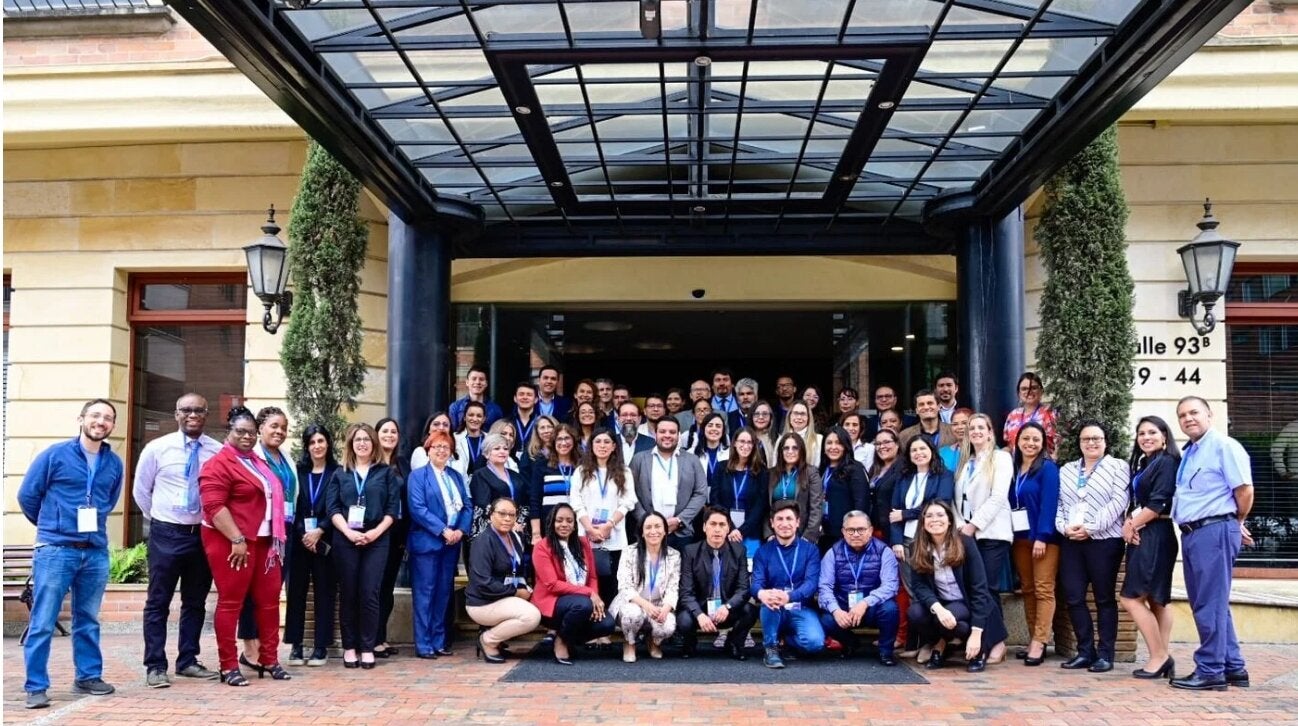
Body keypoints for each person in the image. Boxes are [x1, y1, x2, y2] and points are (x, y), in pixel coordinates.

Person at [18, 399, 124, 709]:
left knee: (88, 618)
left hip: (95, 552)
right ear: (81, 419)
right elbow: (28, 496)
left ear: (112, 426)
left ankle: (88, 676)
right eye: (95, 415)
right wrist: (53, 526)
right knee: (43, 620)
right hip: (56, 551)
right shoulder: (54, 455)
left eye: (107, 418)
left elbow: (109, 499)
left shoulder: (113, 463)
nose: (100, 421)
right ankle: (36, 685)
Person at [133, 393, 221, 688]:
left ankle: (188, 661)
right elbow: (141, 492)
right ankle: (155, 665)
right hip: (166, 534)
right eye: (186, 410)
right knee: (158, 602)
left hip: (202, 535)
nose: (192, 415)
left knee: (195, 601)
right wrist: (162, 518)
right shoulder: (157, 448)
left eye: (198, 410)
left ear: (206, 415)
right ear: (176, 414)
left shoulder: (217, 451)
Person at [198, 406, 290, 686]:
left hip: (264, 542)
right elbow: (213, 506)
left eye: (251, 432)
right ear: (229, 432)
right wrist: (237, 539)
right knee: (230, 603)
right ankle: (228, 666)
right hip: (232, 542)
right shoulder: (218, 464)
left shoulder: (256, 461)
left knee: (269, 602)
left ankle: (269, 659)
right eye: (241, 431)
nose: (247, 437)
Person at [1170, 396, 1253, 692]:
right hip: (1195, 533)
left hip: (1214, 530)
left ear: (1209, 414)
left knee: (1208, 604)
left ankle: (1210, 671)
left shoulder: (1224, 447)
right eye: (1182, 415)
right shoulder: (1192, 452)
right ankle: (1233, 667)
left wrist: (1235, 522)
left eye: (1194, 412)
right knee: (1212, 602)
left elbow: (1244, 491)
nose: (1188, 418)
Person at [1055, 420, 1129, 674]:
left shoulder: (1118, 467)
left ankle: (1105, 653)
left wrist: (1092, 527)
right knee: (1074, 597)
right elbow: (1060, 505)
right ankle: (1085, 651)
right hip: (1072, 541)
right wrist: (1064, 527)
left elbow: (1119, 501)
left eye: (1096, 438)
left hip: (1105, 541)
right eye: (1086, 439)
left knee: (1104, 598)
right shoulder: (1066, 470)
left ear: (1105, 441)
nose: (1091, 443)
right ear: (1079, 443)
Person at [327, 423, 401, 669]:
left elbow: (392, 509)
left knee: (370, 593)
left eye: (367, 439)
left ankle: (367, 647)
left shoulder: (386, 473)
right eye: (357, 439)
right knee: (349, 592)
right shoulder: (340, 473)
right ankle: (350, 647)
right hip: (345, 539)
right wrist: (348, 532)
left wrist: (374, 533)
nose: (362, 443)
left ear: (374, 443)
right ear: (351, 444)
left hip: (377, 539)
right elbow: (333, 508)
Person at [907, 500, 1008, 672]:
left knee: (952, 615)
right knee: (915, 613)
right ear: (923, 523)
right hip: (941, 603)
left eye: (940, 515)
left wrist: (976, 634)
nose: (935, 519)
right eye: (929, 516)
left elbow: (979, 587)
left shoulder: (965, 543)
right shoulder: (916, 547)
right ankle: (944, 641)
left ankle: (966, 644)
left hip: (966, 602)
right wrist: (938, 608)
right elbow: (919, 586)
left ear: (950, 521)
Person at [1121, 415, 1181, 680]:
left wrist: (1130, 525)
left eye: (1152, 432)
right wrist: (1130, 522)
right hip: (1147, 531)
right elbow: (1139, 501)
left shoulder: (1167, 462)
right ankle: (1161, 657)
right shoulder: (1146, 463)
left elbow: (1158, 504)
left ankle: (1159, 656)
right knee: (1157, 598)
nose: (1146, 437)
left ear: (1164, 436)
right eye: (1141, 433)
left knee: (1131, 597)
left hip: (1155, 534)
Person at [237, 407, 298, 668]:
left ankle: (266, 647)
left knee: (271, 592)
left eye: (283, 427)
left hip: (284, 532)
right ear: (260, 428)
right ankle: (250, 649)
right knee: (252, 592)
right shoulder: (251, 457)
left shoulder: (286, 457)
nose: (279, 431)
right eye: (274, 426)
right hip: (259, 533)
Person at [953, 413, 1014, 663]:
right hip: (965, 533)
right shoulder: (965, 462)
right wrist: (959, 525)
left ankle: (997, 642)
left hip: (991, 533)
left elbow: (999, 497)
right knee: (977, 588)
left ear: (990, 432)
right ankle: (990, 639)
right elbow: (956, 500)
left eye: (981, 427)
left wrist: (974, 525)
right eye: (972, 428)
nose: (976, 431)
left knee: (986, 587)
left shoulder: (1000, 458)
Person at [407, 431, 471, 659]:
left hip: (451, 544)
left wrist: (460, 530)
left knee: (443, 593)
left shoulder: (455, 476)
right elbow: (418, 508)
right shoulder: (418, 476)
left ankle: (439, 641)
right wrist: (443, 530)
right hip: (428, 543)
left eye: (446, 447)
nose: (442, 450)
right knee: (425, 594)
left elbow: (467, 505)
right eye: (437, 447)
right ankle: (424, 644)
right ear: (428, 450)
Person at [532, 504, 616, 664]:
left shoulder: (583, 543)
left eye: (569, 521)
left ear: (575, 524)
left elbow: (592, 577)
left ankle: (568, 638)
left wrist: (594, 596)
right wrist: (589, 594)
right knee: (583, 605)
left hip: (580, 601)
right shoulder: (542, 547)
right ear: (551, 522)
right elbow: (552, 584)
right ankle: (561, 641)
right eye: (559, 520)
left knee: (607, 624)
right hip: (553, 603)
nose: (564, 524)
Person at [283, 424, 336, 668]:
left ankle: (320, 647)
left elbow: (338, 505)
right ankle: (295, 645)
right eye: (312, 442)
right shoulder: (297, 471)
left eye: (321, 441)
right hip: (299, 540)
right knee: (296, 593)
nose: (317, 446)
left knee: (325, 594)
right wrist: (304, 534)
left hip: (325, 540)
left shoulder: (337, 472)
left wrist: (320, 530)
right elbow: (291, 505)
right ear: (307, 446)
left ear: (328, 444)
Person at [1007, 421, 1060, 666]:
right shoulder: (1014, 467)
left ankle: (1040, 641)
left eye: (1036, 439)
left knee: (1043, 589)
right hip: (1019, 538)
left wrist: (1043, 536)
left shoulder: (1047, 468)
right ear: (1017, 441)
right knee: (1027, 588)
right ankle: (1032, 638)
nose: (1030, 443)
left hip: (1042, 539)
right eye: (1026, 438)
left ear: (1043, 443)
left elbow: (1050, 504)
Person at [818, 511, 900, 665]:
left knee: (890, 609)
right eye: (850, 530)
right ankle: (851, 643)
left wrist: (865, 603)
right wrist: (836, 610)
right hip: (844, 607)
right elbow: (824, 587)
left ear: (870, 530)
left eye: (861, 529)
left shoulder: (884, 551)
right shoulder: (833, 553)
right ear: (843, 532)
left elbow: (890, 586)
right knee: (826, 619)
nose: (856, 534)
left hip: (872, 607)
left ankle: (886, 652)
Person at [676, 506, 759, 660]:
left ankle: (734, 643)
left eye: (722, 525)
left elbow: (743, 589)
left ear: (728, 529)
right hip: (701, 608)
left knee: (750, 610)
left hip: (726, 608)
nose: (717, 529)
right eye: (713, 524)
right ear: (704, 527)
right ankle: (690, 643)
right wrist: (699, 614)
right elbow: (686, 592)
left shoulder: (739, 551)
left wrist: (727, 606)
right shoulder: (691, 551)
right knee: (683, 619)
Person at [466, 497, 541, 663]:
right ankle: (488, 640)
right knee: (531, 616)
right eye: (502, 514)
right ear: (491, 515)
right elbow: (482, 582)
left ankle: (495, 638)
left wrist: (525, 588)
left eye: (512, 515)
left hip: (504, 596)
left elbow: (516, 570)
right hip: (483, 602)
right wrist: (515, 592)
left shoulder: (514, 537)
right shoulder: (483, 542)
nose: (507, 519)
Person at [751, 501, 825, 668]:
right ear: (772, 523)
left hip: (800, 607)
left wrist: (789, 597)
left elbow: (811, 584)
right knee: (768, 600)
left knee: (815, 644)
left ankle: (787, 640)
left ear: (797, 522)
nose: (784, 524)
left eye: (789, 519)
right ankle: (771, 648)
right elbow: (756, 583)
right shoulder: (763, 551)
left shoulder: (810, 550)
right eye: (780, 519)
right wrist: (762, 594)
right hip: (774, 607)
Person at [570, 428, 638, 609]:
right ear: (591, 446)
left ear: (614, 446)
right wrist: (590, 529)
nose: (602, 445)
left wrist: (609, 525)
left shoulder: (624, 472)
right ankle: (592, 624)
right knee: (590, 581)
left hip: (615, 536)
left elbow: (628, 502)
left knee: (613, 580)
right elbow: (576, 503)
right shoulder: (581, 471)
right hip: (586, 534)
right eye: (598, 441)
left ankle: (608, 626)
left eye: (607, 442)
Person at [610, 511, 682, 662]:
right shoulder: (629, 552)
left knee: (668, 625)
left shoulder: (674, 555)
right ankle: (629, 643)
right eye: (648, 527)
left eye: (657, 526)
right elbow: (624, 586)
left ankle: (654, 641)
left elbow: (673, 587)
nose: (653, 531)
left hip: (658, 605)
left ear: (665, 531)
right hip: (631, 603)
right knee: (632, 615)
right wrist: (645, 605)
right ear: (642, 532)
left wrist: (666, 608)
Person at [630, 417, 708, 550]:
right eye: (663, 431)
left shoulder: (692, 460)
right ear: (655, 434)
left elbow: (701, 493)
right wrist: (647, 521)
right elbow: (630, 493)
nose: (667, 435)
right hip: (648, 531)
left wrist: (680, 520)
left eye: (672, 432)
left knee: (681, 571)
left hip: (681, 533)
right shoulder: (639, 459)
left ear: (678, 435)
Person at [372, 416, 407, 659]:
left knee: (387, 589)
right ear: (377, 434)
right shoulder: (370, 463)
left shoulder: (402, 463)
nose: (389, 436)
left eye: (393, 432)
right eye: (385, 431)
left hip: (397, 535)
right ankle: (371, 639)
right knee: (373, 588)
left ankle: (381, 638)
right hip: (374, 533)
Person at [710, 427, 768, 558]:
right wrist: (729, 528)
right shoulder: (721, 468)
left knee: (748, 572)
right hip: (723, 531)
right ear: (734, 443)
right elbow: (715, 500)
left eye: (749, 442)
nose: (745, 446)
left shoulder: (761, 471)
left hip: (751, 532)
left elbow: (761, 505)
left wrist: (741, 531)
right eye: (742, 441)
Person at [889, 437, 955, 551]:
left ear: (932, 451)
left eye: (922, 448)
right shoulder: (903, 477)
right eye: (914, 450)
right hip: (906, 540)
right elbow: (895, 513)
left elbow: (941, 505)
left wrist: (905, 514)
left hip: (932, 538)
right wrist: (896, 541)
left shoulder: (944, 476)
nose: (918, 453)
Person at [470, 432, 530, 549]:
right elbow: (483, 505)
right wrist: (507, 523)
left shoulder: (515, 476)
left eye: (505, 448)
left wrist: (519, 523)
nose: (502, 451)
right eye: (497, 448)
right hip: (489, 531)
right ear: (487, 454)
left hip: (516, 530)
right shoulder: (480, 475)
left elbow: (525, 503)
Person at [818, 426, 869, 552]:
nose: (833, 447)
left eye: (838, 443)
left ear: (845, 446)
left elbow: (861, 503)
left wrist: (855, 530)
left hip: (846, 533)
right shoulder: (822, 469)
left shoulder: (855, 468)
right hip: (824, 532)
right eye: (829, 443)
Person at [766, 432, 824, 543]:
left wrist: (808, 537)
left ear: (801, 450)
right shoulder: (771, 474)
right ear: (781, 451)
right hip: (775, 535)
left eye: (795, 448)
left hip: (801, 535)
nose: (790, 451)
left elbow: (816, 508)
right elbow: (765, 508)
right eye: (786, 448)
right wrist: (768, 534)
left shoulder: (811, 473)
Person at [531, 423, 580, 538]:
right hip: (548, 525)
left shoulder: (582, 467)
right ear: (553, 442)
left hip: (576, 525)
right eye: (559, 439)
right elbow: (535, 500)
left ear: (574, 441)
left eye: (567, 438)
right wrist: (536, 533)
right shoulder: (542, 465)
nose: (563, 443)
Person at [1003, 372, 1060, 455]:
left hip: (1042, 464)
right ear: (1018, 393)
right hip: (1017, 465)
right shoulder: (1013, 415)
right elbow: (1009, 445)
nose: (1029, 391)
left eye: (1033, 388)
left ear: (1041, 391)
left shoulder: (1050, 413)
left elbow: (1060, 443)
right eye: (1024, 389)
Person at [448, 365, 503, 431]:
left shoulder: (495, 410)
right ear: (467, 382)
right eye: (474, 379)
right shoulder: (455, 407)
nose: (477, 382)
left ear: (486, 383)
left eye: (481, 379)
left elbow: (498, 436)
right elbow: (452, 434)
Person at [692, 412, 729, 488]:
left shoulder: (731, 453)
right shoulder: (691, 453)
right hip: (700, 497)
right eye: (710, 425)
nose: (714, 428)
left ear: (723, 431)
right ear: (703, 429)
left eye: (718, 426)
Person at [452, 401, 488, 478]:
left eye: (479, 416)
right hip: (462, 483)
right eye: (471, 415)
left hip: (485, 484)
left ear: (484, 419)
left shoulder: (490, 439)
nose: (475, 419)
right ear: (464, 417)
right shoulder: (454, 438)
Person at [510, 382, 541, 459]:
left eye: (529, 395)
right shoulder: (506, 422)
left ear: (536, 400)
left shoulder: (541, 423)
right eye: (521, 394)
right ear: (515, 398)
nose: (525, 397)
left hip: (535, 463)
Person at [786, 401, 821, 467]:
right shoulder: (781, 440)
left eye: (803, 414)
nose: (799, 417)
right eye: (795, 413)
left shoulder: (818, 440)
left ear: (808, 418)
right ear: (789, 416)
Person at [751, 400, 778, 465]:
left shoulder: (778, 439)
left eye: (765, 414)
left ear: (771, 417)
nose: (761, 417)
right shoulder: (746, 438)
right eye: (757, 414)